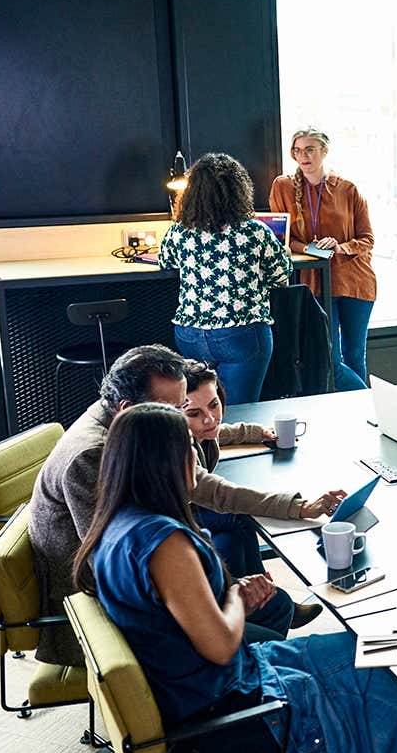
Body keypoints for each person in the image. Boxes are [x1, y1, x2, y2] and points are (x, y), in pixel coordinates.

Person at [71, 404, 397, 753]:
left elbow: (174, 617)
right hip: (228, 714)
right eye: (186, 444)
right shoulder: (165, 545)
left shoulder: (116, 524)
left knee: (375, 649)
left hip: (206, 692)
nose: (195, 452)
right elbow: (220, 647)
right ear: (162, 462)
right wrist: (235, 597)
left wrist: (231, 597)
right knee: (387, 679)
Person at [29, 345, 342, 667]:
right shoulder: (92, 457)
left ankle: (255, 663)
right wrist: (216, 596)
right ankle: (251, 675)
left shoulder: (128, 422)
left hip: (145, 573)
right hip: (112, 600)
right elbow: (106, 565)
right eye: (179, 413)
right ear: (128, 409)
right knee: (297, 649)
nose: (191, 434)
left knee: (270, 599)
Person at [181, 360, 325, 631]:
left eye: (214, 404)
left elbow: (216, 432)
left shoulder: (198, 429)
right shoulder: (175, 444)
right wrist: (298, 507)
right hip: (183, 516)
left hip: (194, 508)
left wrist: (257, 432)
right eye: (194, 413)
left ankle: (259, 596)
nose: (210, 418)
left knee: (232, 540)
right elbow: (222, 494)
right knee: (237, 514)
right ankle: (266, 594)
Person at [159, 152, 292, 405]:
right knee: (240, 411)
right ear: (239, 190)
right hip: (241, 333)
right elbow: (282, 275)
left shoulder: (179, 231)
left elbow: (166, 261)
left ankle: (205, 446)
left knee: (201, 411)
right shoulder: (254, 231)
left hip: (190, 335)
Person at [270, 126, 377, 392]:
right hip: (315, 282)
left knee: (355, 356)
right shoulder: (282, 186)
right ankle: (371, 403)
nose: (303, 156)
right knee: (331, 359)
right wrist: (307, 248)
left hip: (354, 282)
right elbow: (281, 239)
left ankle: (363, 416)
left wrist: (340, 247)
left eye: (309, 149)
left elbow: (368, 239)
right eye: (297, 150)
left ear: (324, 151)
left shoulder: (347, 188)